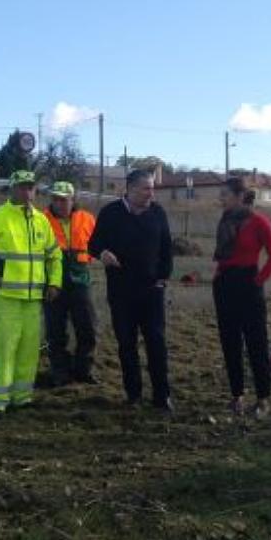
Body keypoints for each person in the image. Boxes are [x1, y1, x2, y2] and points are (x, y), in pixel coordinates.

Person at [0, 171, 62, 413]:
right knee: (3, 349)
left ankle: (22, 397)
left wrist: (54, 283)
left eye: (31, 188)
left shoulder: (42, 221)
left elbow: (54, 256)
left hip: (32, 300)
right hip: (4, 298)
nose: (27, 192)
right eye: (22, 187)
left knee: (28, 350)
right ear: (12, 189)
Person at [88, 169, 174, 411]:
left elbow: (167, 248)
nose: (151, 194)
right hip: (121, 292)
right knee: (126, 344)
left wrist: (163, 277)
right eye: (146, 189)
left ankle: (162, 396)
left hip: (151, 292)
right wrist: (102, 253)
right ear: (130, 189)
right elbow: (93, 243)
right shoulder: (110, 213)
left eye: (152, 189)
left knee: (157, 344)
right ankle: (133, 395)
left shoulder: (158, 213)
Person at [212, 176, 271, 416]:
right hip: (224, 284)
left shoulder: (259, 222)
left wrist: (258, 281)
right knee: (229, 341)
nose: (221, 199)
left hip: (249, 284)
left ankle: (263, 398)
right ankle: (237, 395)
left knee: (256, 342)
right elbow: (222, 255)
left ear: (240, 197)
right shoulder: (225, 220)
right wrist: (218, 275)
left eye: (225, 195)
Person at [42, 181, 98, 386]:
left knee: (87, 328)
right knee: (55, 331)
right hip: (51, 282)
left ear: (73, 199)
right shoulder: (41, 219)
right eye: (55, 199)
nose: (59, 203)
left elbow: (98, 244)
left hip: (80, 279)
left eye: (64, 199)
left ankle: (83, 370)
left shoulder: (87, 219)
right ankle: (60, 373)